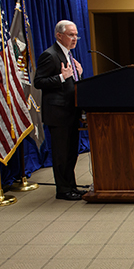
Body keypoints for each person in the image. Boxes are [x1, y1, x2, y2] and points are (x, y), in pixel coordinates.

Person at [34, 20, 85, 201]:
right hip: (58, 114)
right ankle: (63, 190)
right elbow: (38, 82)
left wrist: (79, 73)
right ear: (59, 36)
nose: (74, 39)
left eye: (76, 35)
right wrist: (60, 77)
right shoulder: (50, 55)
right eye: (71, 35)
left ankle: (71, 186)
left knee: (71, 153)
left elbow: (71, 83)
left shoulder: (68, 55)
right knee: (62, 154)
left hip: (71, 112)